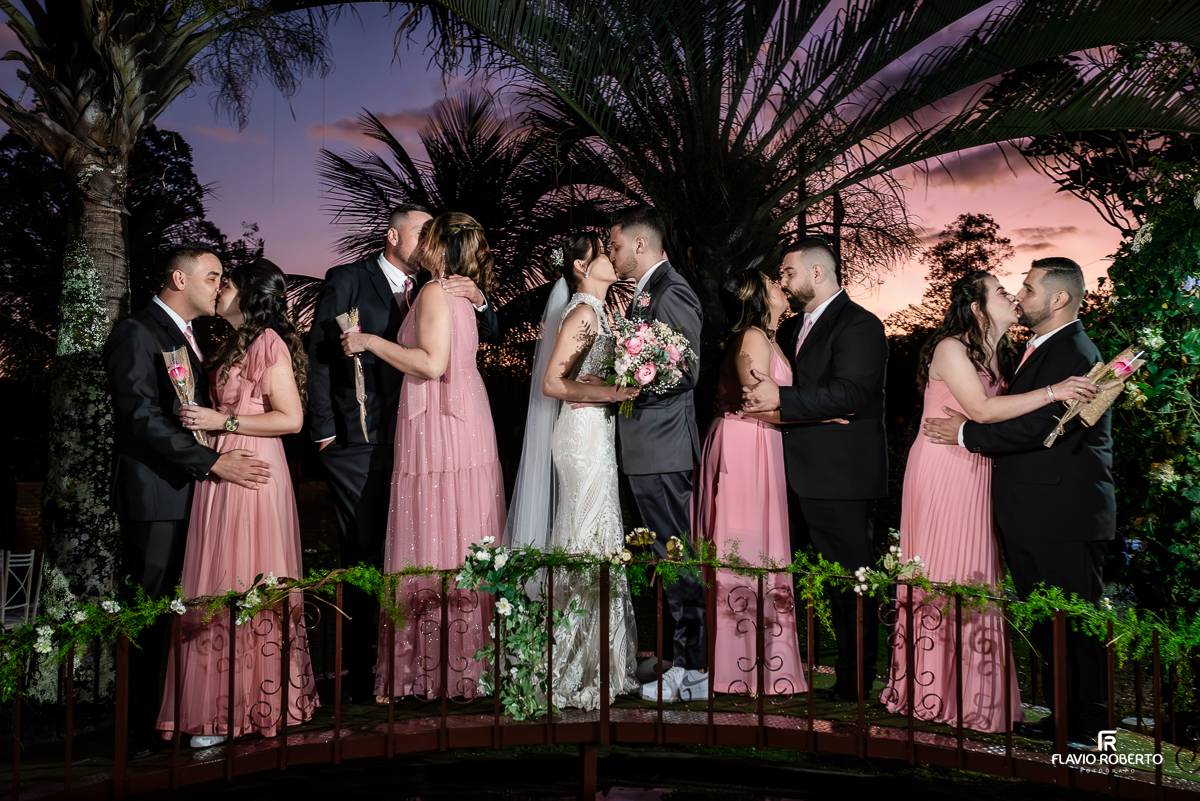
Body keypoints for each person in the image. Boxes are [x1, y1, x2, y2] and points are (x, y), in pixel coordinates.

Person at [880, 271, 1097, 732]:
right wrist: (1055, 391)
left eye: (1019, 290)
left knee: (976, 576)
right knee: (943, 574)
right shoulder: (951, 348)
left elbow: (1004, 421)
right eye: (1001, 292)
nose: (1013, 296)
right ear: (977, 308)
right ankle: (932, 689)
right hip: (943, 469)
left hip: (980, 469)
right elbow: (981, 411)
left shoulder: (1003, 355)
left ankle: (977, 697)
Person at [307, 204, 501, 701]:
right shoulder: (351, 279)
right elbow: (320, 353)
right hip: (370, 435)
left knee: (432, 534)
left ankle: (432, 663)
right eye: (420, 230)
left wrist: (480, 299)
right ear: (394, 236)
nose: (426, 239)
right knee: (373, 546)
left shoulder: (443, 289)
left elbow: (443, 355)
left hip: (432, 426)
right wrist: (324, 431)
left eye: (433, 233)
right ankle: (367, 669)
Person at [104, 246, 271, 754]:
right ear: (180, 278)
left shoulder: (190, 337)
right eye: (213, 277)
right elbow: (140, 416)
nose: (220, 287)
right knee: (148, 614)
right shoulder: (138, 331)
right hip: (156, 497)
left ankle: (171, 719)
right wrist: (212, 462)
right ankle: (134, 734)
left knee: (183, 612)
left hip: (190, 496)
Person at [155, 258, 318, 747]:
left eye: (227, 282)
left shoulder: (268, 342)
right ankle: (216, 707)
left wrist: (220, 422)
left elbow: (291, 419)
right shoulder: (227, 344)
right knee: (217, 580)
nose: (219, 289)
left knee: (247, 578)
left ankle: (255, 703)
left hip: (254, 470)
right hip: (221, 469)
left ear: (249, 294)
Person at [741, 237, 887, 703]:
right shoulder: (791, 329)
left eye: (788, 272)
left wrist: (783, 399)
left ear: (817, 273)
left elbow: (851, 394)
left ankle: (856, 680)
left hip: (841, 476)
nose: (782, 281)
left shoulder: (860, 324)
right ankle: (821, 670)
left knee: (850, 580)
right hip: (795, 471)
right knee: (816, 580)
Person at [506, 233, 642, 710]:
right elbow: (551, 382)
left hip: (596, 432)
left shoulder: (602, 311)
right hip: (580, 437)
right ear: (582, 266)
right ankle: (570, 662)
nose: (613, 258)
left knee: (600, 535)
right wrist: (612, 393)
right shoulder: (584, 312)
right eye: (603, 252)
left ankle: (602, 661)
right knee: (584, 537)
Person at [603, 205, 708, 703]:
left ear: (640, 244)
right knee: (666, 557)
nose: (611, 253)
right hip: (646, 448)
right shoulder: (646, 292)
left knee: (677, 557)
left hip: (664, 447)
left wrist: (630, 376)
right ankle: (678, 662)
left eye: (615, 245)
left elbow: (685, 370)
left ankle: (693, 669)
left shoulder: (672, 290)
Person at [693, 269, 810, 696]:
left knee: (760, 545)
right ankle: (739, 668)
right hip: (746, 444)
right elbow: (756, 403)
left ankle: (764, 663)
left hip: (761, 443)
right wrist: (821, 416)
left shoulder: (769, 338)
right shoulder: (753, 338)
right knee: (742, 547)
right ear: (758, 296)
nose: (781, 285)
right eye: (772, 282)